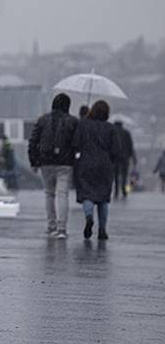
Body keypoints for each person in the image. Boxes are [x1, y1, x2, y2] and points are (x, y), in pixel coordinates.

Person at [27, 93, 78, 239]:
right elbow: (77, 143)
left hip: (46, 162)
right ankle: (61, 229)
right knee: (63, 194)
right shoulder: (73, 121)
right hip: (65, 163)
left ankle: (51, 226)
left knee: (49, 194)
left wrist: (34, 161)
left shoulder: (43, 120)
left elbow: (33, 141)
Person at [73, 100, 122, 241]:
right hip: (104, 167)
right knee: (103, 199)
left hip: (86, 164)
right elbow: (116, 151)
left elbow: (75, 144)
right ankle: (102, 229)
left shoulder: (83, 125)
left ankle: (89, 217)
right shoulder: (110, 129)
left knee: (87, 195)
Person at [113, 120, 136, 199]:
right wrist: (133, 157)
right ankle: (124, 190)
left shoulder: (112, 132)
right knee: (124, 175)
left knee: (115, 175)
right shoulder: (126, 133)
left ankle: (116, 191)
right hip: (125, 157)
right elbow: (130, 146)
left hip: (115, 157)